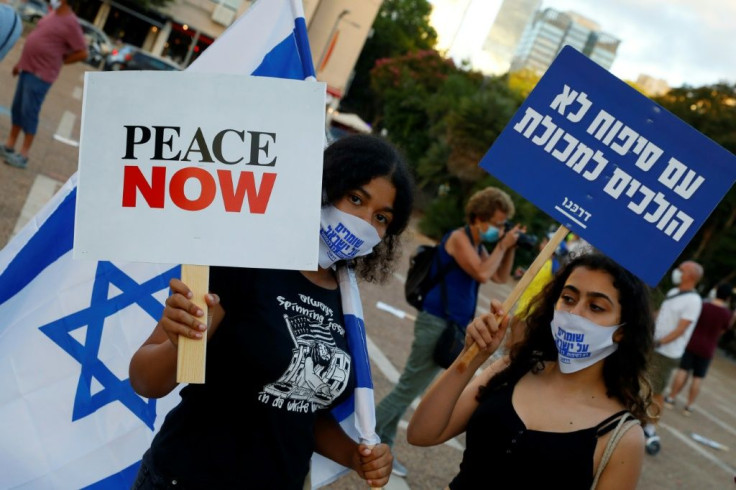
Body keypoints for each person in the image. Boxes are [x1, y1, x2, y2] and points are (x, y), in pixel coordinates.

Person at [128, 134, 414, 489]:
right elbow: (146, 380)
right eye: (356, 199)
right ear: (325, 187)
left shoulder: (346, 299)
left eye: (381, 218)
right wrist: (177, 339)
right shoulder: (247, 262)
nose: (365, 222)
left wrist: (355, 455)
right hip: (187, 477)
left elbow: (302, 410)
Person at [407, 252, 655, 489]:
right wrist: (472, 356)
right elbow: (421, 433)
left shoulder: (621, 437)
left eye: (596, 307)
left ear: (622, 330)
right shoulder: (511, 369)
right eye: (568, 298)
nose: (575, 314)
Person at [375, 186, 522, 477]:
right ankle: (366, 440)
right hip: (436, 322)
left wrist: (509, 249)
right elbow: (481, 273)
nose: (500, 229)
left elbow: (500, 276)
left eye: (504, 224)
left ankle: (383, 443)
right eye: (497, 222)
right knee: (408, 388)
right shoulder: (459, 237)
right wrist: (502, 246)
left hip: (449, 326)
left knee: (410, 387)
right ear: (479, 217)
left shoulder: (480, 246)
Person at [1, 0, 87, 169]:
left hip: (41, 75)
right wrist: (20, 63)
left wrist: (59, 61)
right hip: (28, 68)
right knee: (18, 108)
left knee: (30, 112)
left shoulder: (71, 22)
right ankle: (10, 145)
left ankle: (24, 154)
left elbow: (82, 51)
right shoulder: (52, 15)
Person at [644, 260, 703, 454]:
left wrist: (659, 343)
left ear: (691, 276)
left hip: (667, 352)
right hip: (655, 346)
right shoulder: (673, 293)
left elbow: (681, 328)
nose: (677, 272)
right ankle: (639, 419)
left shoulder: (693, 301)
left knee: (657, 391)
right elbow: (660, 314)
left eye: (682, 270)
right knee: (645, 385)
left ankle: (650, 428)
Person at [664, 282, 732, 415]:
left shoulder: (703, 305)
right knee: (698, 377)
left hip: (692, 342)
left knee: (682, 371)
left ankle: (671, 398)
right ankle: (689, 406)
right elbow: (723, 331)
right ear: (728, 297)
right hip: (708, 348)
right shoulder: (727, 314)